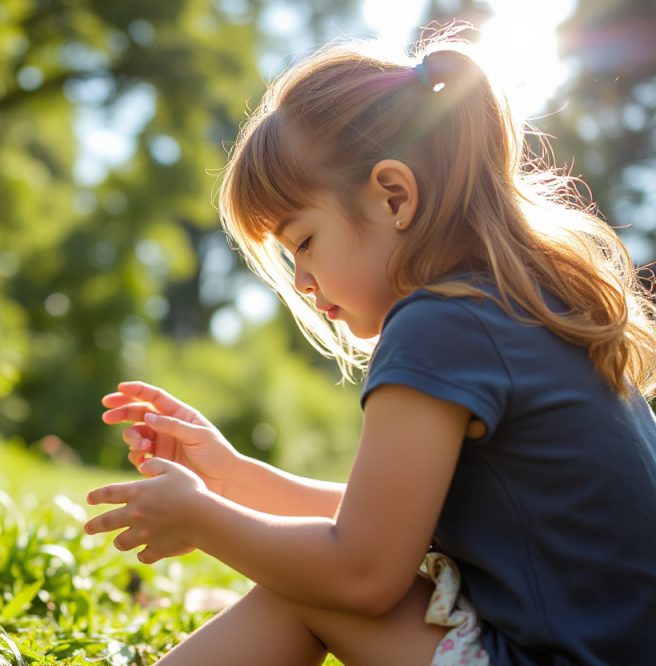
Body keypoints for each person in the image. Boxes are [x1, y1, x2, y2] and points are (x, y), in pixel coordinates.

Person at [82, 27, 656, 666]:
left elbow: (363, 573)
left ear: (394, 196)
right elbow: (387, 525)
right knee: (308, 583)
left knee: (307, 593)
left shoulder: (441, 324)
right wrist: (230, 478)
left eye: (302, 242)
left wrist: (202, 521)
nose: (300, 282)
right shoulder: (511, 307)